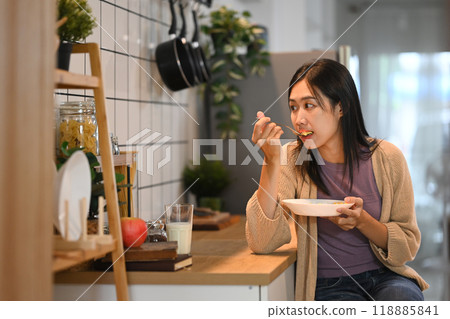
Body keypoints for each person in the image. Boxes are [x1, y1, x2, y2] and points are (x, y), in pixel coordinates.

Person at [246, 59, 429, 301]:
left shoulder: (388, 158)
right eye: (293, 107)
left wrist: (362, 221)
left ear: (341, 107)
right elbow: (261, 241)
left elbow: (407, 244)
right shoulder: (292, 158)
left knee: (404, 301)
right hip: (328, 285)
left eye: (309, 105)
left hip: (387, 276)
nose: (299, 119)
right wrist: (271, 161)